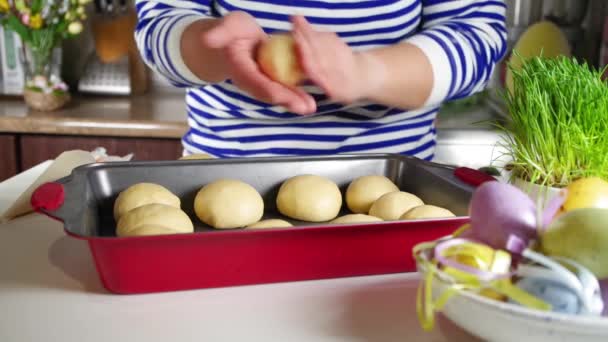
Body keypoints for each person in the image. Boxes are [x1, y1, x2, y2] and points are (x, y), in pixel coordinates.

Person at [134, 0, 507, 159]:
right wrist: (218, 51)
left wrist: (369, 73)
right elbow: (160, 25)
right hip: (220, 182)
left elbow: (476, 37)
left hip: (389, 200)